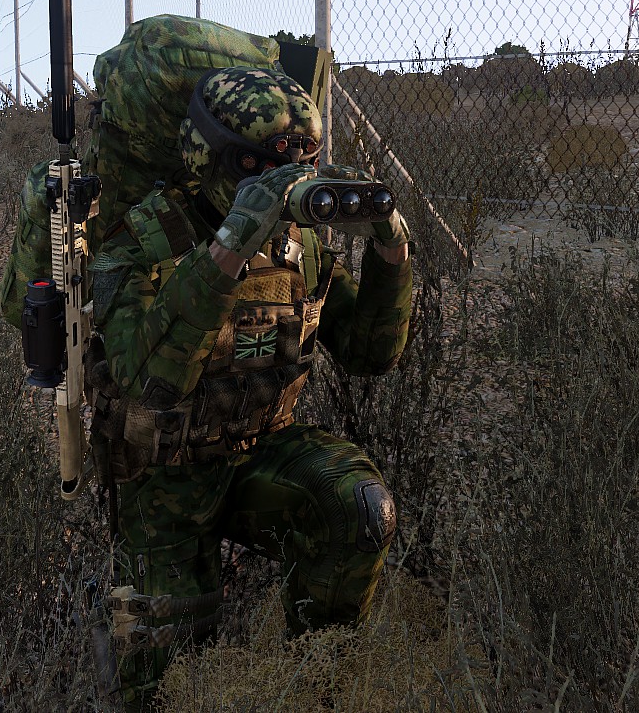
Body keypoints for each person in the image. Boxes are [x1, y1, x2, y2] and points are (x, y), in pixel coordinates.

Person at [83, 66, 413, 711]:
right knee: (160, 674)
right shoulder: (142, 238)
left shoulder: (302, 246)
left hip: (259, 451)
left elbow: (371, 352)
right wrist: (232, 243)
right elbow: (146, 378)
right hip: (164, 476)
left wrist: (391, 247)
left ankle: (316, 685)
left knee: (359, 508)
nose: (279, 177)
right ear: (207, 156)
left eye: (297, 162)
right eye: (256, 163)